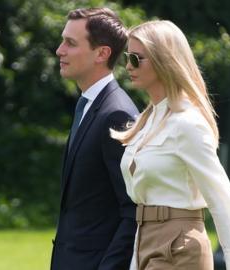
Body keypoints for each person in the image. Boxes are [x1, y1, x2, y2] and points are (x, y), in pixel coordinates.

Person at [111, 20, 230, 270]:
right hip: (146, 238)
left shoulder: (187, 123)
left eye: (137, 59)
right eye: (128, 57)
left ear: (164, 60)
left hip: (179, 246)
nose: (129, 66)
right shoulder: (147, 120)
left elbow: (221, 199)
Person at [51, 7, 139, 270]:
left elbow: (132, 210)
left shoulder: (117, 114)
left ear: (102, 53)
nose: (59, 50)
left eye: (70, 43)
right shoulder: (88, 103)